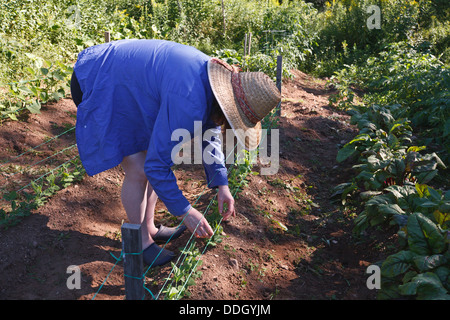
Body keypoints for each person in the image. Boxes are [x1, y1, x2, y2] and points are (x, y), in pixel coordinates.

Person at [70, 39, 280, 267]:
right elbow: (156, 166)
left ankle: (149, 227)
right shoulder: (190, 98)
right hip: (100, 79)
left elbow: (210, 134)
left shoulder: (212, 86)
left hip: (129, 85)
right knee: (140, 169)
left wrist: (222, 185)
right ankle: (139, 244)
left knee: (152, 155)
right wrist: (186, 212)